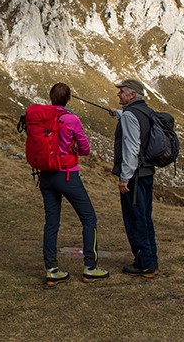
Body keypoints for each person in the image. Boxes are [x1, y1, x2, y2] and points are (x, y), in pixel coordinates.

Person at [39, 82, 109, 285]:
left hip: (46, 175)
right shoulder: (71, 119)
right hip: (67, 175)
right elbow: (85, 148)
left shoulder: (42, 118)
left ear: (51, 98)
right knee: (89, 219)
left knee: (51, 223)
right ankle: (90, 267)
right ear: (68, 99)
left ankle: (52, 270)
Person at [108, 78, 159, 278]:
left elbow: (131, 147)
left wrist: (124, 178)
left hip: (134, 176)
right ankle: (150, 260)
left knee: (134, 218)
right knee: (145, 217)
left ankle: (144, 264)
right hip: (146, 173)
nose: (118, 95)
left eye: (121, 92)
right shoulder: (145, 111)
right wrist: (119, 114)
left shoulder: (130, 115)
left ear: (131, 95)